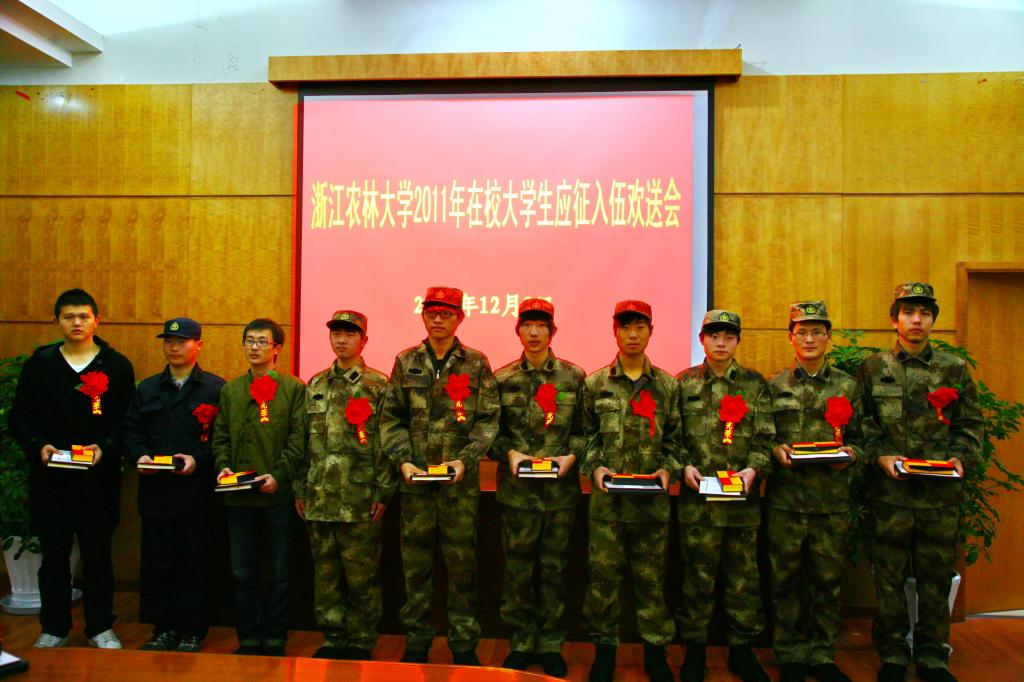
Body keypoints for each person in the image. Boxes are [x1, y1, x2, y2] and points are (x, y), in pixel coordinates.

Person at [858, 283, 982, 682]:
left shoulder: (953, 368)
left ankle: (932, 655)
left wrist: (961, 457)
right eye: (909, 312)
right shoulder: (873, 368)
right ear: (894, 320)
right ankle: (893, 654)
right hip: (891, 494)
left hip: (938, 496)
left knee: (935, 578)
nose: (916, 320)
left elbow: (970, 424)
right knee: (889, 576)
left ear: (933, 321)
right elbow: (862, 425)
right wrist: (880, 455)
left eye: (924, 313)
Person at [379, 286, 499, 666]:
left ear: (459, 318)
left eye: (446, 313)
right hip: (415, 486)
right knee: (415, 568)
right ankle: (417, 642)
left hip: (458, 489)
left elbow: (488, 421)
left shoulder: (476, 363)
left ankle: (463, 644)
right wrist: (403, 461)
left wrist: (465, 460)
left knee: (462, 567)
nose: (438, 319)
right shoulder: (406, 362)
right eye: (431, 312)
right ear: (423, 315)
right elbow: (391, 418)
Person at [9, 288, 135, 649]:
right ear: (56, 321)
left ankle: (100, 627)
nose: (76, 323)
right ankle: (54, 628)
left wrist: (104, 447)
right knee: (53, 556)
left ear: (97, 320)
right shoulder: (40, 364)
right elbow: (20, 417)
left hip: (98, 479)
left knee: (98, 555)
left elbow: (127, 419)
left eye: (83, 316)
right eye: (69, 317)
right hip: (51, 478)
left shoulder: (116, 365)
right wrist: (39, 446)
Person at [579, 300, 682, 682]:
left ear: (651, 332)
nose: (633, 334)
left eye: (640, 327)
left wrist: (668, 469)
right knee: (602, 581)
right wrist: (596, 467)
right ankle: (604, 653)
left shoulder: (668, 386)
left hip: (651, 505)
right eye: (626, 327)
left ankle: (655, 653)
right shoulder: (595, 384)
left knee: (652, 581)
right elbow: (585, 438)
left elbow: (676, 441)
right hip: (607, 506)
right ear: (615, 332)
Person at [766, 302, 863, 682]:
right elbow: (762, 437)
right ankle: (790, 654)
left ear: (828, 337)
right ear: (790, 337)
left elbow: (864, 437)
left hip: (831, 502)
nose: (809, 339)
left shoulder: (848, 386)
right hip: (786, 503)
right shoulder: (774, 386)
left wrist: (851, 454)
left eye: (816, 332)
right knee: (785, 580)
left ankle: (822, 654)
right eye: (802, 332)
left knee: (827, 581)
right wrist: (775, 450)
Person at [676, 310, 773, 682]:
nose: (720, 343)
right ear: (702, 340)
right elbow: (671, 437)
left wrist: (753, 470)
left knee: (743, 580)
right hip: (697, 504)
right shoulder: (683, 383)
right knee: (696, 580)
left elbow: (765, 438)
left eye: (728, 336)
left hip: (741, 506)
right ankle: (694, 651)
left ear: (737, 341)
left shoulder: (755, 384)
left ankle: (741, 652)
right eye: (713, 336)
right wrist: (683, 465)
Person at [295, 310, 397, 660]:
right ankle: (333, 638)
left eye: (350, 334)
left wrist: (383, 491)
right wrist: (300, 489)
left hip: (359, 499)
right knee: (325, 576)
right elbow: (304, 443)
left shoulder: (377, 385)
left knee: (361, 576)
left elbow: (387, 444)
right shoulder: (315, 384)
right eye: (337, 333)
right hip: (319, 497)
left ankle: (361, 641)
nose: (342, 339)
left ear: (364, 340)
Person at [492, 298, 586, 677]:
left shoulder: (573, 377)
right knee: (517, 570)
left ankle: (550, 644)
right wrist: (509, 453)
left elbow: (584, 430)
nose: (534, 333)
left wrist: (572, 457)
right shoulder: (501, 379)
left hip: (559, 495)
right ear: (518, 331)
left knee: (554, 570)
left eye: (541, 326)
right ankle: (520, 642)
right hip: (517, 495)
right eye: (527, 325)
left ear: (552, 331)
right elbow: (489, 433)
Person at [123, 317, 226, 653]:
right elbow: (132, 430)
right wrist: (139, 455)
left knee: (195, 562)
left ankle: (194, 630)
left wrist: (198, 458)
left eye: (182, 341)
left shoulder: (216, 389)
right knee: (159, 563)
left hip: (197, 493)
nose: (174, 347)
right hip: (157, 492)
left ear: (199, 345)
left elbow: (223, 439)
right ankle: (164, 628)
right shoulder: (148, 388)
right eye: (169, 341)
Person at [212, 318, 306, 656]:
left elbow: (298, 440)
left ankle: (276, 636)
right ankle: (249, 636)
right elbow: (220, 436)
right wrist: (223, 465)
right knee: (243, 573)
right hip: (238, 498)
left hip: (277, 496)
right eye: (249, 341)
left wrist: (279, 475)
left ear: (277, 348)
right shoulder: (231, 391)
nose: (254, 347)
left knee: (280, 573)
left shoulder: (293, 389)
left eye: (262, 341)